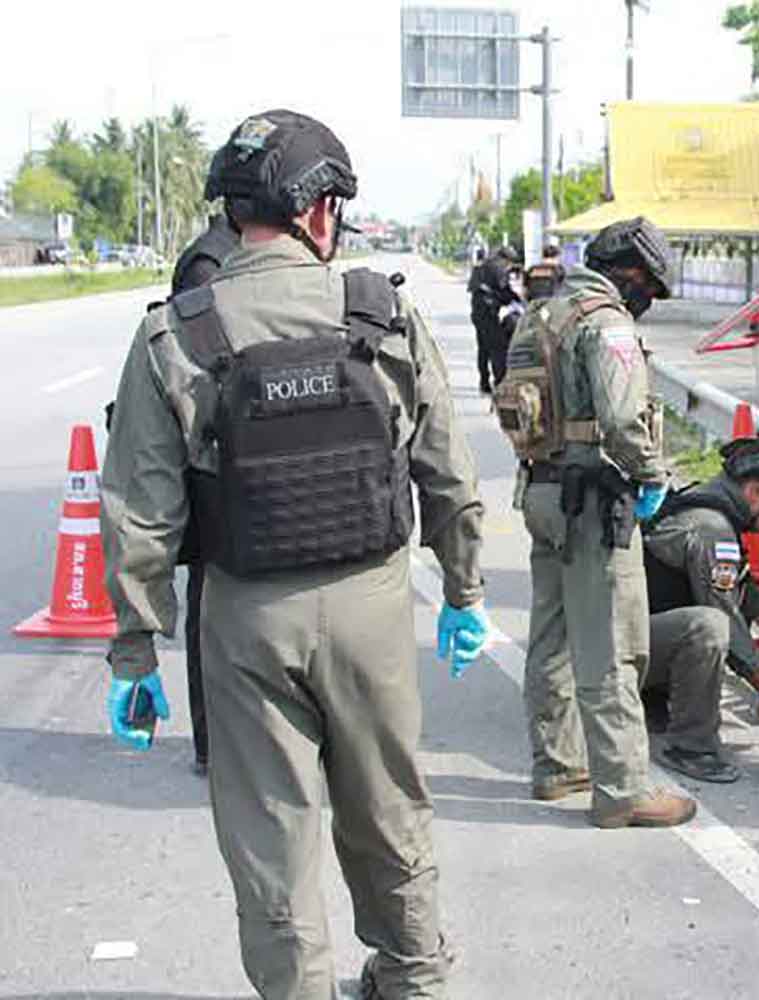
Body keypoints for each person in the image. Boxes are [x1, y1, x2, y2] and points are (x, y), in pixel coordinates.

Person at [100, 109, 490, 999]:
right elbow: (449, 474)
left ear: (235, 214)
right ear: (320, 213)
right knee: (389, 809)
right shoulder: (383, 313)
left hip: (245, 615)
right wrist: (464, 592)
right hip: (372, 607)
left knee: (269, 834)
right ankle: (414, 976)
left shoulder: (176, 334)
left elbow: (142, 510)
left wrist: (135, 650)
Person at [497, 215, 695, 828]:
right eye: (651, 292)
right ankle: (623, 788)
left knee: (552, 636)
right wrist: (654, 473)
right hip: (594, 500)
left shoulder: (541, 314)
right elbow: (619, 416)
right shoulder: (606, 322)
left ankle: (558, 765)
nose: (648, 304)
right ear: (633, 274)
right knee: (613, 643)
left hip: (541, 493)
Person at [639, 434, 759, 783]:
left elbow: (736, 584)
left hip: (629, 635)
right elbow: (728, 626)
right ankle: (691, 745)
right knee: (710, 628)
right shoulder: (711, 529)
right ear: (756, 492)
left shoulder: (705, 503)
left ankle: (650, 698)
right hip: (618, 647)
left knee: (701, 618)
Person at [170, 211, 239, 776]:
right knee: (209, 606)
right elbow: (205, 368)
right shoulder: (209, 263)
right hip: (211, 463)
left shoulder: (227, 252)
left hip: (235, 459)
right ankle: (210, 741)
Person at [469, 245, 521, 394]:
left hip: (477, 312)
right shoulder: (498, 267)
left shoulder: (481, 266)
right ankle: (500, 382)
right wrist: (515, 298)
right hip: (489, 313)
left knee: (483, 348)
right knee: (498, 348)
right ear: (507, 259)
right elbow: (502, 290)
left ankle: (484, 382)